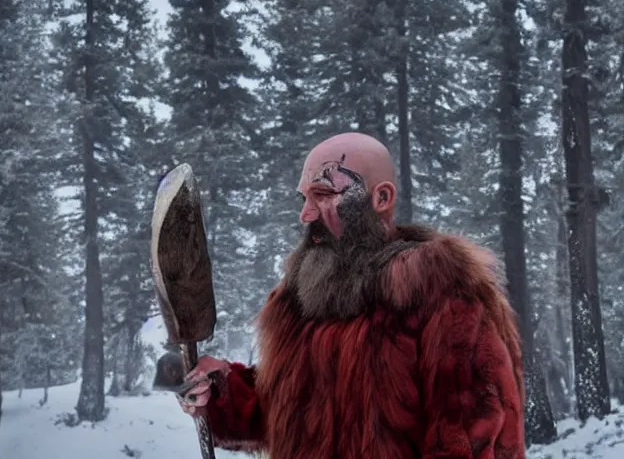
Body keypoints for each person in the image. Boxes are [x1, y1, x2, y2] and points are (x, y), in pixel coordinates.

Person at [178, 132, 526, 458]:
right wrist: (222, 392)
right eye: (305, 198)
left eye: (324, 195)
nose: (306, 214)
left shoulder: (444, 297)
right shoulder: (298, 301)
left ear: (382, 198)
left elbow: (474, 439)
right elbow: (281, 413)